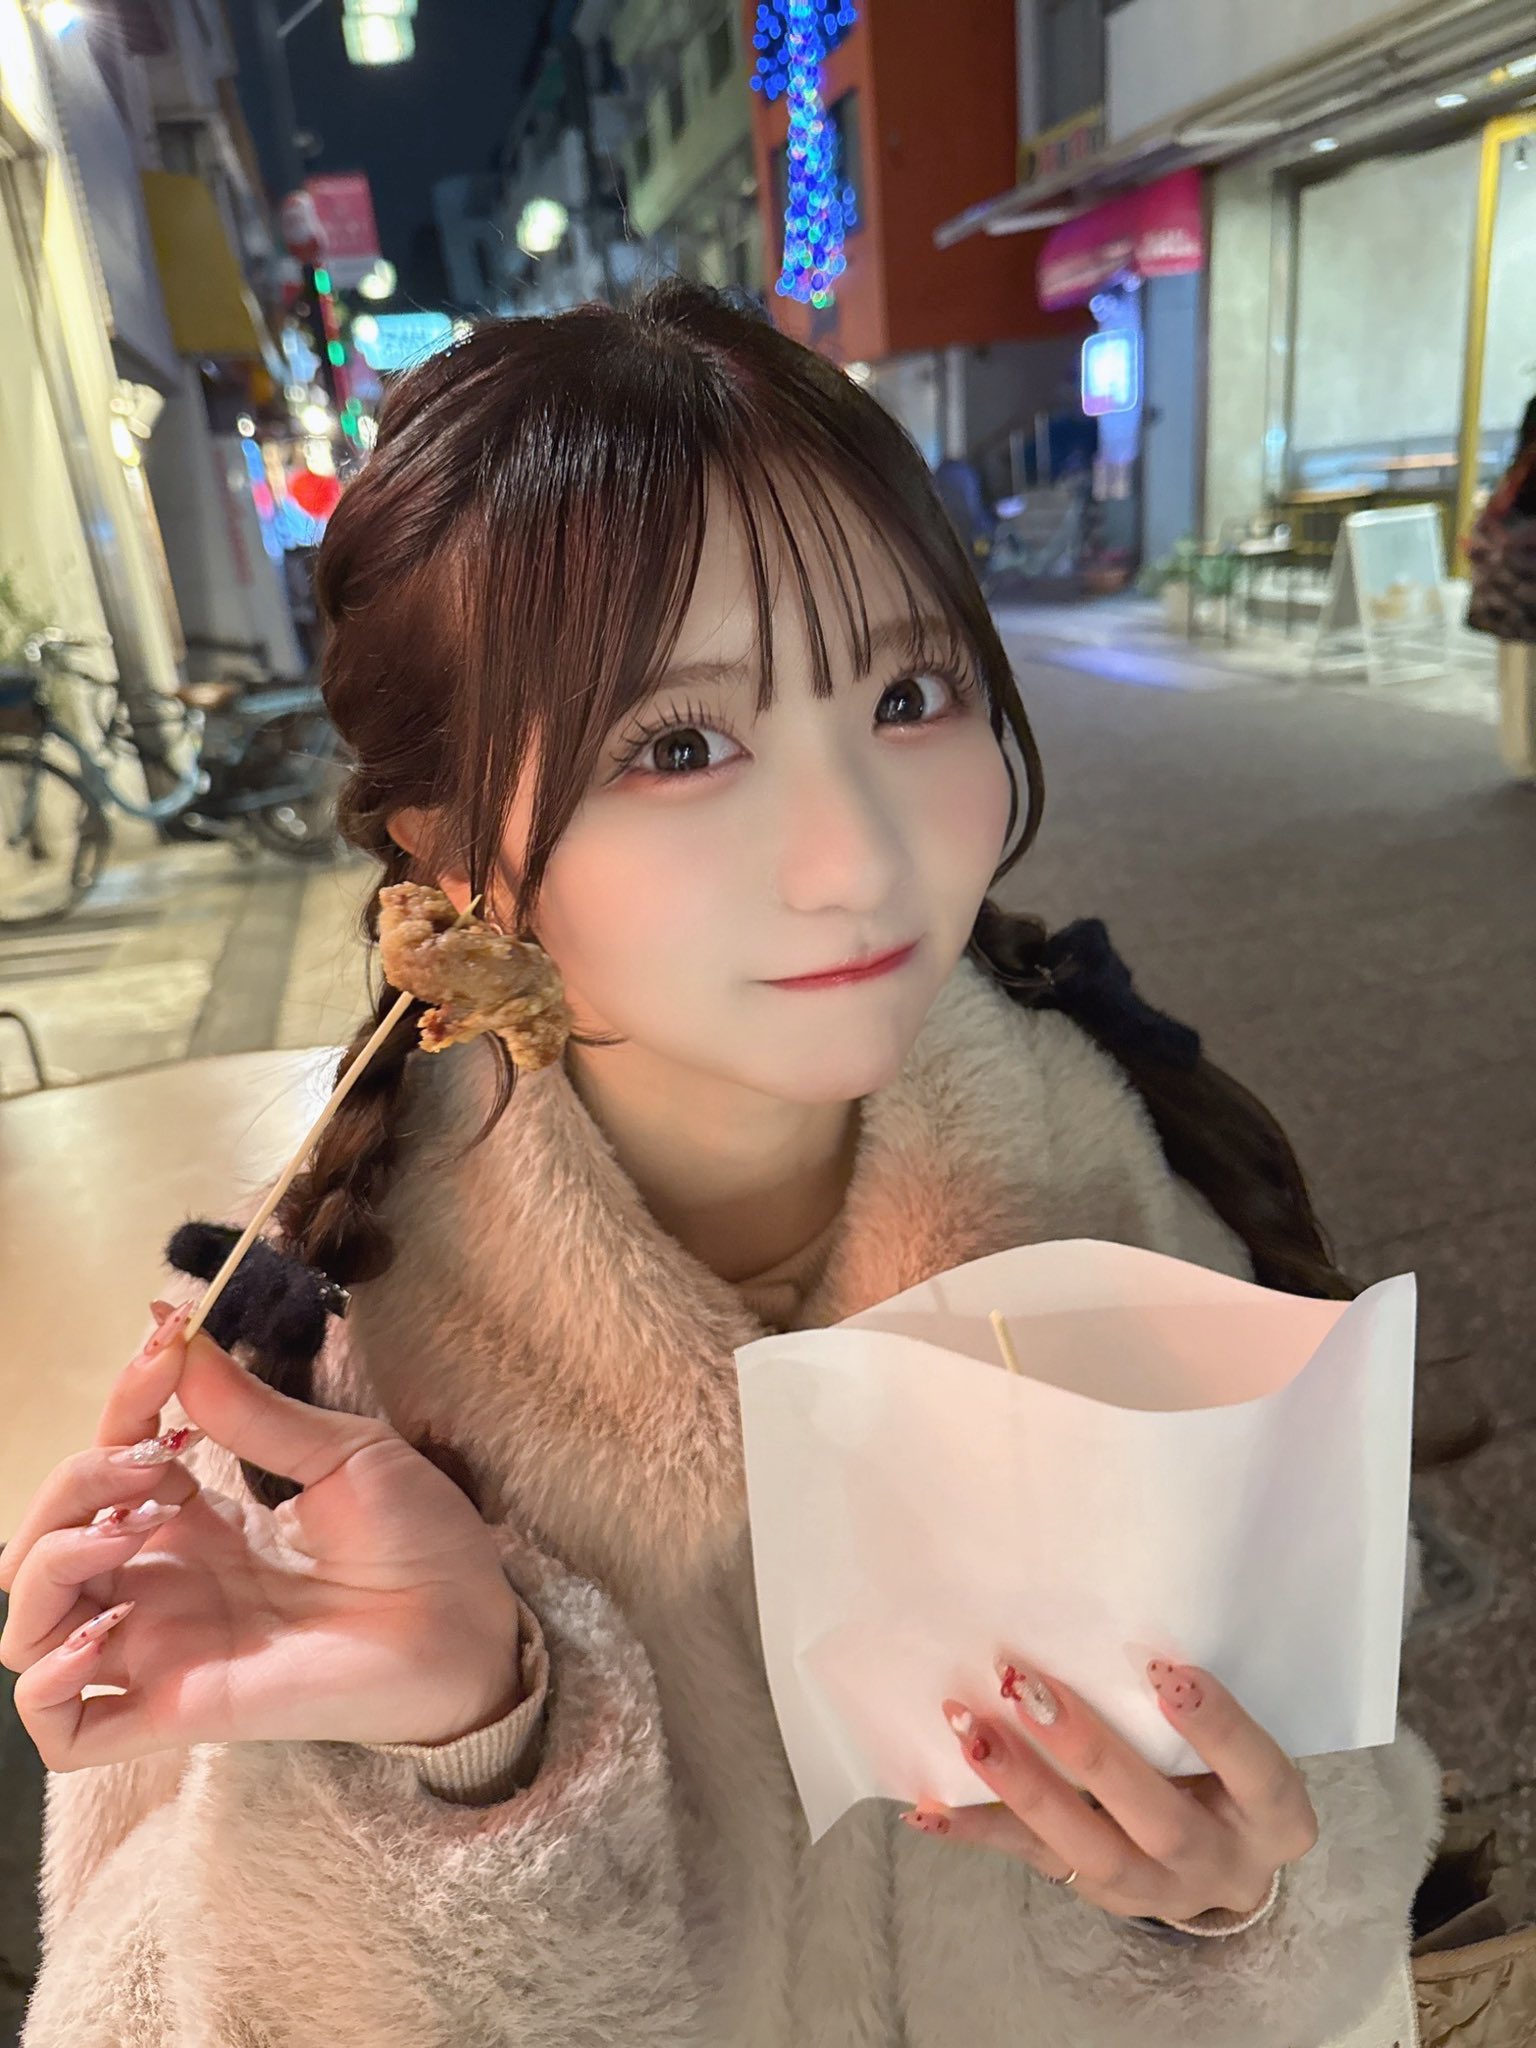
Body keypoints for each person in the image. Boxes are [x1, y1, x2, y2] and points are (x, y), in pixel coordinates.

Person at [0, 283, 1444, 2046]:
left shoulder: (1121, 1212)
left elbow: (1348, 1849)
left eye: (910, 691)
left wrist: (1237, 1901)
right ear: (447, 847)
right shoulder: (309, 1380)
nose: (857, 859)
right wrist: (461, 1759)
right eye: (678, 744)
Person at [1467, 392, 1536, 781]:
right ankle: (1524, 758)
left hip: (1516, 583)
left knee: (1519, 668)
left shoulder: (1519, 473)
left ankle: (1523, 756)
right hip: (1524, 581)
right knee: (1522, 665)